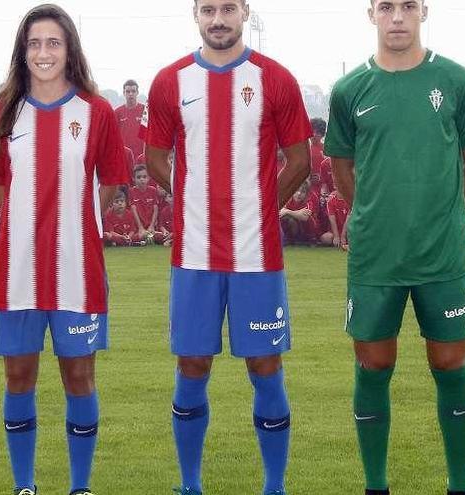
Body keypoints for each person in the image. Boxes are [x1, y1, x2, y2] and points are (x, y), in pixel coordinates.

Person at [324, 2, 465, 494]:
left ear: (424, 12)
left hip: (442, 255)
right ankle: (376, 486)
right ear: (371, 14)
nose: (397, 16)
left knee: (450, 364)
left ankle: (458, 486)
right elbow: (342, 170)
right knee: (374, 365)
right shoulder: (349, 90)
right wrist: (377, 216)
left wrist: (446, 216)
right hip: (376, 258)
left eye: (407, 6)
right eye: (386, 7)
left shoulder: (457, 81)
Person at [145, 1, 312, 493]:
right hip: (193, 256)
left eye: (229, 9)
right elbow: (157, 158)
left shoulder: (274, 78)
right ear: (196, 15)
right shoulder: (169, 81)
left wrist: (262, 207)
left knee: (265, 365)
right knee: (192, 363)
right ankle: (190, 485)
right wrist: (190, 201)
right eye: (209, 9)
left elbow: (300, 159)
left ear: (245, 13)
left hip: (257, 256)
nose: (219, 19)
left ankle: (274, 486)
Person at [0, 5, 126, 494]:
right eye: (35, 43)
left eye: (54, 43)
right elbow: (1, 187)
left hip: (78, 271)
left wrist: (76, 220)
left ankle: (80, 487)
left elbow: (110, 182)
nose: (44, 53)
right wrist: (30, 223)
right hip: (17, 269)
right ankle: (25, 486)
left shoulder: (96, 111)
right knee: (18, 375)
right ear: (23, 51)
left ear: (69, 51)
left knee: (79, 378)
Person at [127, 164, 161, 242]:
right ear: (133, 179)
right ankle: (143, 239)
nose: (142, 179)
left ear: (148, 178)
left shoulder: (153, 190)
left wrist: (152, 226)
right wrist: (140, 227)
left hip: (150, 226)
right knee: (136, 237)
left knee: (159, 236)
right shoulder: (131, 191)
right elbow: (133, 210)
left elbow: (155, 209)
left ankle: (150, 237)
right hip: (138, 227)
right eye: (138, 177)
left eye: (144, 177)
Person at [280, 181, 321, 245]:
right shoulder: (288, 199)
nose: (299, 194)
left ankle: (309, 239)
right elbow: (281, 212)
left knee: (289, 216)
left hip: (310, 231)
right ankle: (290, 238)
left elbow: (305, 217)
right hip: (297, 228)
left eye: (303, 192)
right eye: (297, 190)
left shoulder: (308, 202)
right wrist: (298, 213)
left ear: (307, 194)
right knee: (287, 218)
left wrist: (288, 211)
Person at [115, 79, 146, 159]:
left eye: (133, 91)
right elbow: (114, 136)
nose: (130, 94)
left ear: (137, 93)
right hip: (124, 156)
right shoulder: (118, 112)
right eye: (128, 91)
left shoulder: (145, 111)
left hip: (141, 157)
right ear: (124, 93)